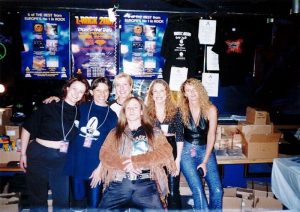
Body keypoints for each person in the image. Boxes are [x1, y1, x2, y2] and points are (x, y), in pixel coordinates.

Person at [90, 96, 177, 210]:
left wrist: (136, 162)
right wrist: (126, 164)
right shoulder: (115, 132)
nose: (131, 110)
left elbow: (166, 151)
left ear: (141, 111)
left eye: (135, 107)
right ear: (124, 112)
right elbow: (104, 153)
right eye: (128, 108)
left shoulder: (154, 132)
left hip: (146, 185)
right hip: (119, 183)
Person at [19, 77, 90, 211]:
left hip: (61, 159)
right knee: (37, 199)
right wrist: (22, 154)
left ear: (83, 95)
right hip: (39, 155)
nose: (76, 93)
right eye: (74, 88)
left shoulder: (81, 113)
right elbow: (27, 127)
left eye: (81, 91)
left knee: (62, 200)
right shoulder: (50, 106)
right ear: (67, 89)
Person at [64, 77, 118, 210]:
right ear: (92, 92)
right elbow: (63, 109)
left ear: (109, 92)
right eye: (98, 90)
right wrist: (53, 98)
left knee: (94, 205)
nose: (102, 94)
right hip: (76, 163)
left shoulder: (112, 115)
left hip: (96, 167)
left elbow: (111, 146)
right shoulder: (80, 107)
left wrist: (100, 169)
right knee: (77, 205)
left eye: (105, 90)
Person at [178, 78, 223, 210]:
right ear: (184, 94)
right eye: (188, 90)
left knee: (217, 190)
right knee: (198, 191)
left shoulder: (211, 109)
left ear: (200, 90)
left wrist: (205, 160)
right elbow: (178, 134)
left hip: (205, 150)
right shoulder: (181, 110)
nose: (192, 93)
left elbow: (211, 135)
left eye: (194, 89)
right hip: (187, 151)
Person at [145, 79, 184, 209]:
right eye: (155, 91)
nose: (158, 94)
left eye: (161, 90)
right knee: (156, 189)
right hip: (153, 149)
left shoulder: (176, 110)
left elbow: (179, 135)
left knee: (173, 189)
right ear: (151, 94)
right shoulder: (146, 112)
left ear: (167, 93)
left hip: (171, 149)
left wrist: (177, 160)